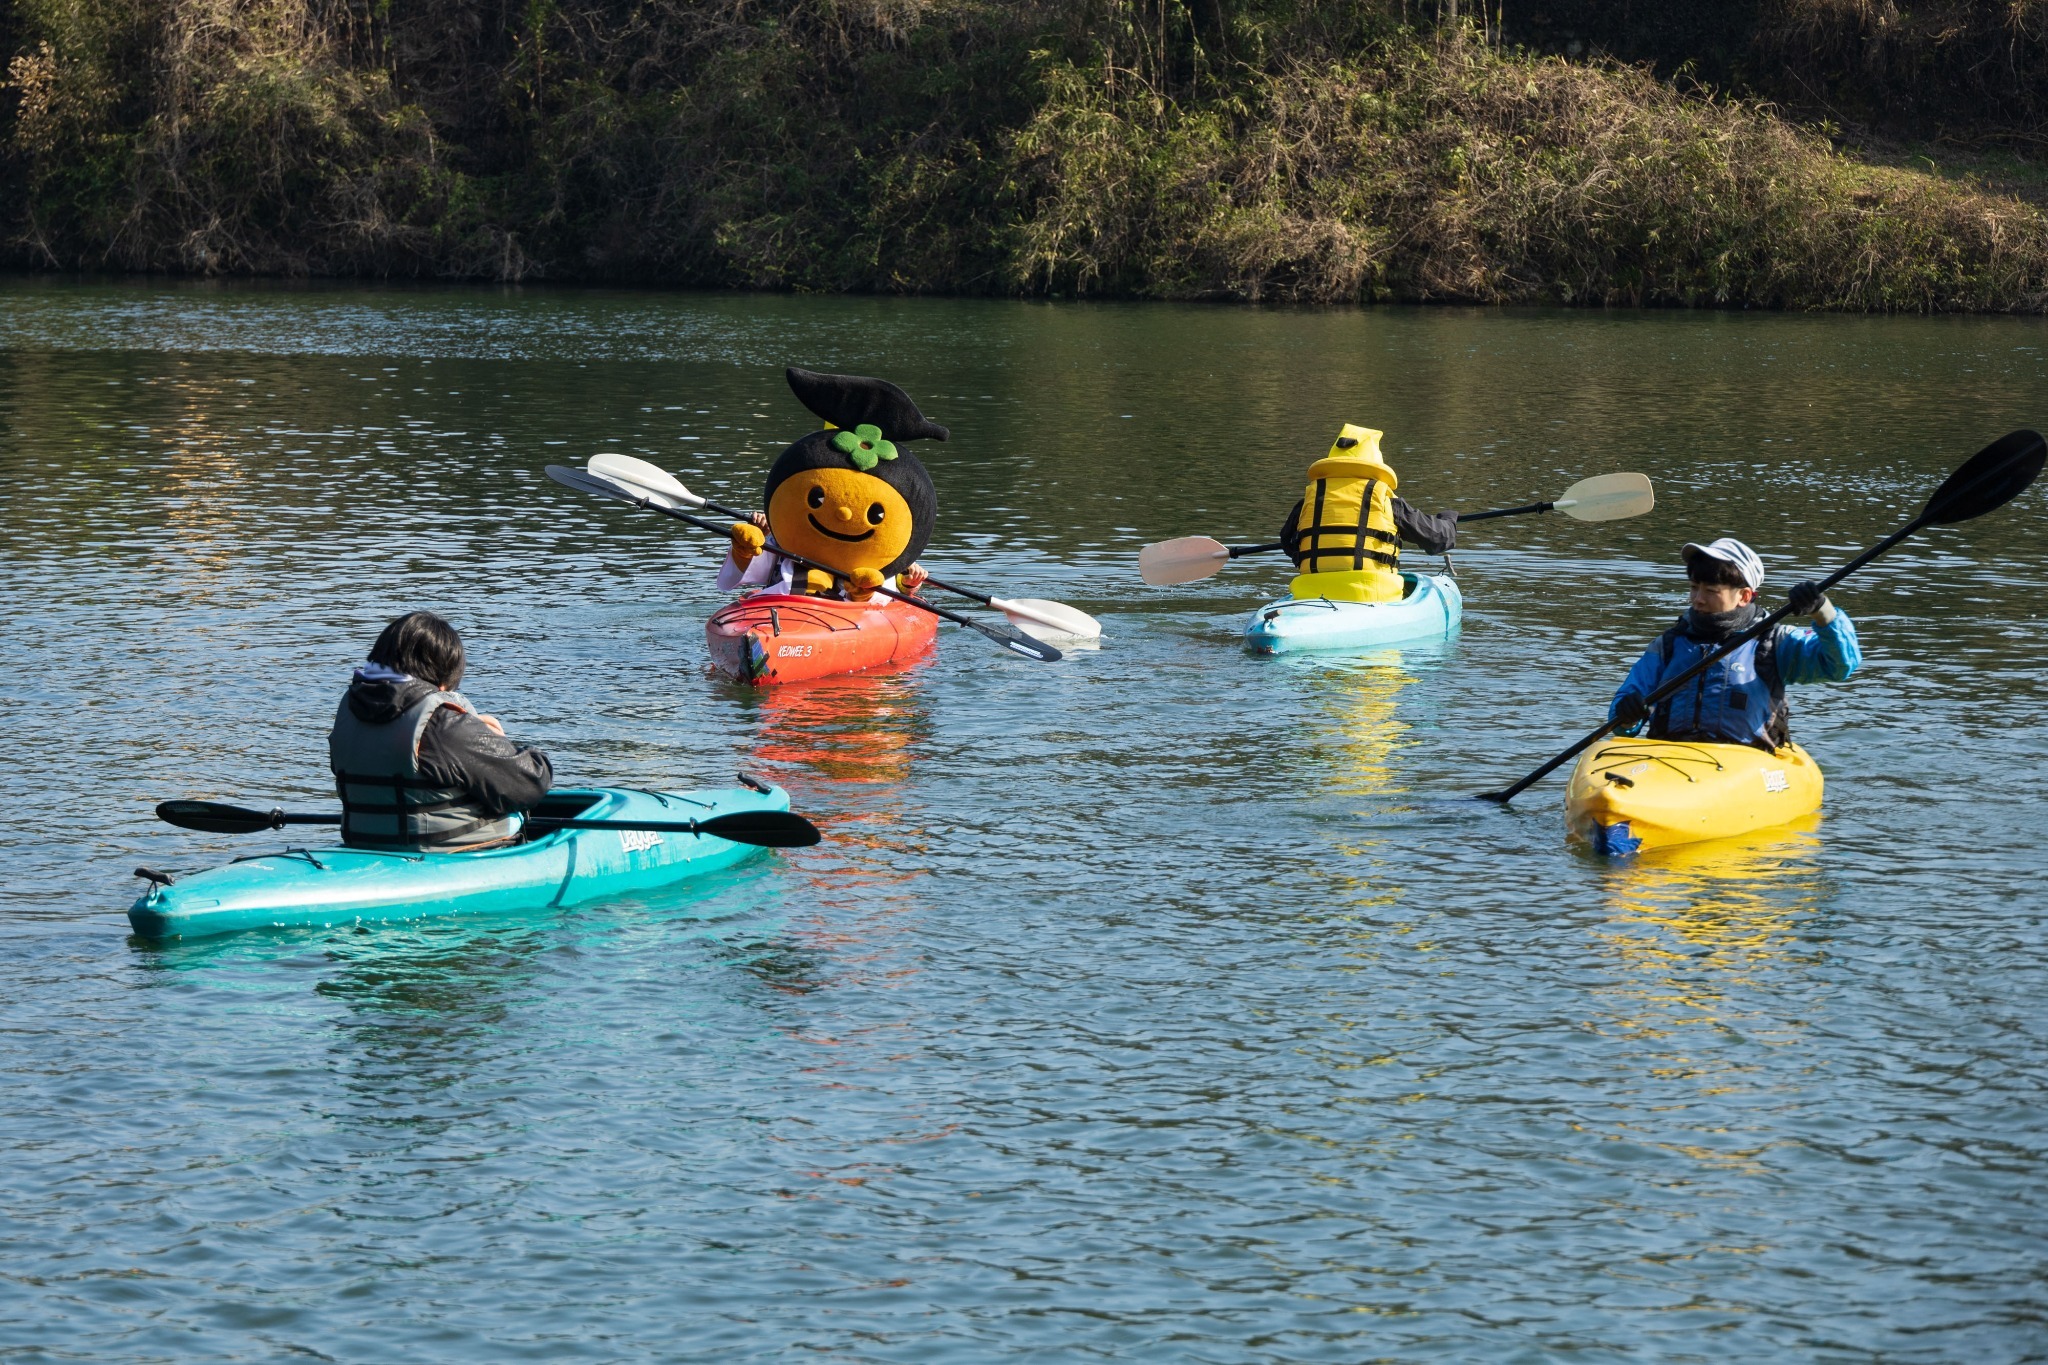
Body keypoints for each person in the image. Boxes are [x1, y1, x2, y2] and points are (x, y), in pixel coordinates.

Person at [327, 611, 553, 850]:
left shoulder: (349, 711)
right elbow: (532, 782)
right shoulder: (443, 723)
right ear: (442, 680)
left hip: (364, 847)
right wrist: (494, 736)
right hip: (451, 855)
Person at [1608, 537, 1861, 750]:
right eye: (1694, 587)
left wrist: (1822, 611)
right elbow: (1621, 722)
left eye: (1711, 591)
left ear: (1744, 596)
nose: (1697, 599)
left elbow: (1840, 665)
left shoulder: (1774, 643)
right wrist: (1628, 715)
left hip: (1745, 766)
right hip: (1672, 759)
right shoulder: (1668, 645)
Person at [1278, 424, 1459, 603]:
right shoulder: (1386, 501)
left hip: (1309, 594)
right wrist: (1448, 519)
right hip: (1373, 595)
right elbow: (1439, 539)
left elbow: (1288, 543)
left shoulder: (1308, 501)